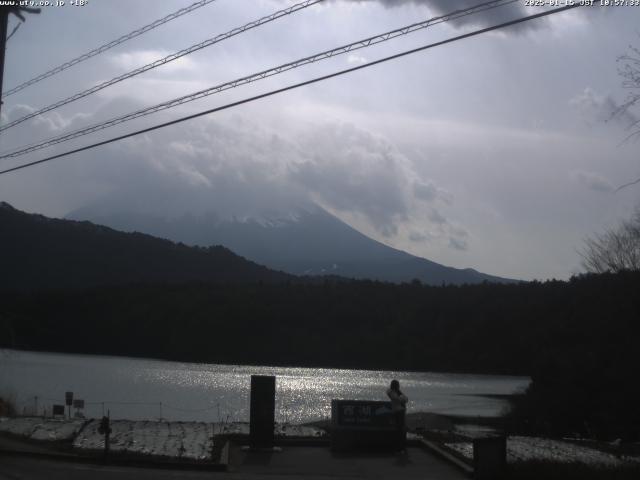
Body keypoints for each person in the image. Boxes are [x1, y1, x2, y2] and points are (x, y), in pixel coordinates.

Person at [386, 379, 408, 450]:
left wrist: (401, 395)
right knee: (399, 430)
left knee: (401, 429)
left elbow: (406, 399)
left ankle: (401, 446)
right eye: (397, 385)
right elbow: (399, 399)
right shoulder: (391, 392)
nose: (399, 386)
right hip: (398, 412)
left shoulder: (397, 392)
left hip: (401, 411)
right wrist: (401, 396)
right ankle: (399, 447)